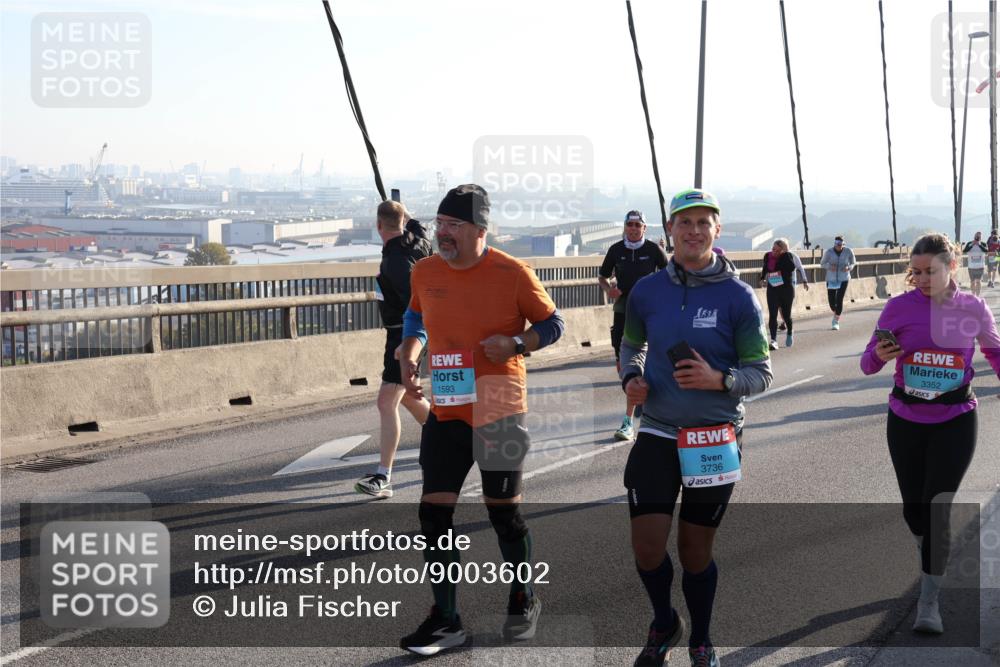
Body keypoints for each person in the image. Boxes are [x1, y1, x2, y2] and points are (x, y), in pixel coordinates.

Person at [397, 184, 565, 656]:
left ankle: (523, 597)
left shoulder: (513, 273)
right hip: (448, 409)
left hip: (499, 407)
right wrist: (410, 351)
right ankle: (446, 619)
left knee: (503, 514)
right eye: (440, 224)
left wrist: (516, 344)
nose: (443, 233)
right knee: (433, 514)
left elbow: (554, 324)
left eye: (454, 225)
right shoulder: (425, 270)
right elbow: (415, 318)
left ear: (479, 230)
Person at [620, 188, 772, 667]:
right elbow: (631, 346)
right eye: (684, 222)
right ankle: (665, 621)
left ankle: (701, 639)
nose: (693, 231)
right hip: (658, 429)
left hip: (713, 435)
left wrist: (719, 379)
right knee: (647, 547)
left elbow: (761, 373)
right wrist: (630, 378)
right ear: (670, 230)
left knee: (694, 551)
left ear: (717, 230)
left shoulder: (738, 297)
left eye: (703, 222)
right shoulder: (647, 291)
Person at [860, 232, 1000, 634]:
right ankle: (930, 557)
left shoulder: (972, 307)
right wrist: (878, 355)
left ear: (952, 267)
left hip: (956, 418)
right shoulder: (898, 308)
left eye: (930, 271)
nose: (921, 279)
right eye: (916, 272)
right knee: (914, 511)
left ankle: (928, 602)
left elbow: (994, 352)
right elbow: (867, 364)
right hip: (905, 418)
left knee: (937, 509)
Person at [354, 201, 433, 499]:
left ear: (378, 225)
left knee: (386, 401)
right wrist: (402, 212)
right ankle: (455, 437)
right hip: (410, 335)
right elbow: (416, 224)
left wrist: (406, 344)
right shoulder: (418, 240)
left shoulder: (395, 262)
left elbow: (417, 301)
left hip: (404, 336)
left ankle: (383, 476)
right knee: (410, 398)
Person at [598, 210, 668, 441]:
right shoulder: (616, 250)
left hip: (650, 309)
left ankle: (629, 420)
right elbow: (602, 276)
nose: (634, 228)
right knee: (623, 365)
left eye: (638, 225)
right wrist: (609, 290)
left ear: (644, 228)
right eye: (630, 224)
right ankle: (637, 397)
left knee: (646, 361)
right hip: (623, 308)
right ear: (625, 226)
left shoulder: (653, 250)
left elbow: (670, 275)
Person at [758, 238, 807, 349]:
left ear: (783, 250)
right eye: (773, 249)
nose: (774, 252)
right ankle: (773, 340)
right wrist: (762, 278)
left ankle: (790, 331)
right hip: (773, 288)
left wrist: (783, 256)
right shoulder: (768, 256)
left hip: (786, 289)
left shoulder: (788, 257)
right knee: (773, 315)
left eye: (777, 250)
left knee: (786, 315)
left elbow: (792, 267)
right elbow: (765, 268)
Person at [820, 235, 856, 330]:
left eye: (840, 244)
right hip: (831, 279)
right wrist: (829, 267)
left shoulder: (848, 251)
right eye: (837, 244)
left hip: (844, 278)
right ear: (834, 244)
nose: (839, 246)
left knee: (839, 299)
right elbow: (822, 263)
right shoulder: (829, 252)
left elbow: (853, 263)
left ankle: (836, 321)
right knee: (832, 302)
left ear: (843, 244)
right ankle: (836, 312)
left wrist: (848, 268)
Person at [777, 248, 810, 332]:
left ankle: (786, 322)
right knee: (779, 304)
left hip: (790, 282)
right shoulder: (775, 255)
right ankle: (785, 321)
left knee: (787, 304)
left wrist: (805, 280)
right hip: (778, 281)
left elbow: (800, 268)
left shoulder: (793, 256)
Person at [963, 231, 988, 296]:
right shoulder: (969, 243)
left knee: (978, 281)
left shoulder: (983, 244)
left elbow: (986, 251)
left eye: (979, 236)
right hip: (971, 266)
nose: (977, 237)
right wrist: (972, 244)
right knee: (972, 282)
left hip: (980, 266)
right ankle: (973, 295)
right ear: (974, 236)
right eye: (976, 236)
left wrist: (979, 244)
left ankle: (977, 296)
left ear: (981, 237)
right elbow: (965, 251)